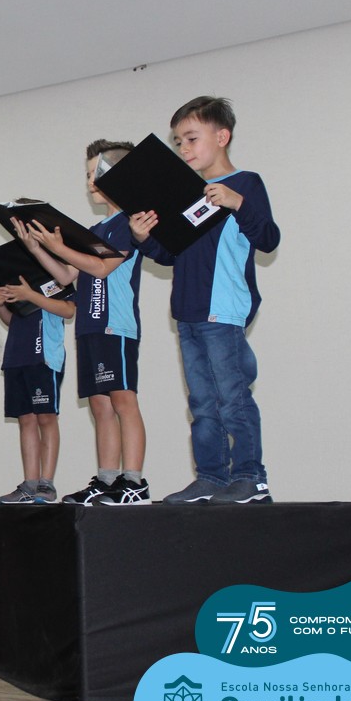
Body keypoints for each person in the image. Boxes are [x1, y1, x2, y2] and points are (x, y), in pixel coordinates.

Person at [131, 96, 280, 504]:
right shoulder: (187, 194)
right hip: (188, 312)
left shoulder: (245, 184)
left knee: (233, 396)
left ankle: (250, 476)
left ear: (222, 136)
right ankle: (211, 477)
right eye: (178, 142)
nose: (184, 148)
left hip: (224, 309)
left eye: (192, 138)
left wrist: (237, 203)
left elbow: (269, 238)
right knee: (201, 402)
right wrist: (143, 238)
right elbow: (170, 253)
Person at [14, 140, 150, 505]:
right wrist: (37, 247)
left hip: (115, 325)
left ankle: (134, 481)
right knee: (100, 406)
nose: (91, 182)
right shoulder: (95, 229)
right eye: (88, 174)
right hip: (90, 327)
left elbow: (102, 268)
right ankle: (107, 480)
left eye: (98, 174)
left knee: (123, 401)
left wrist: (60, 247)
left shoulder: (127, 224)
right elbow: (67, 276)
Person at [0, 271, 75, 504]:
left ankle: (46, 483)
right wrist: (0, 304)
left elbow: (69, 310)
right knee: (26, 420)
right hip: (16, 357)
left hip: (44, 357)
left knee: (46, 418)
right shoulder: (16, 278)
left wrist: (30, 295)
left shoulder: (55, 277)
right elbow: (12, 320)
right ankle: (30, 484)